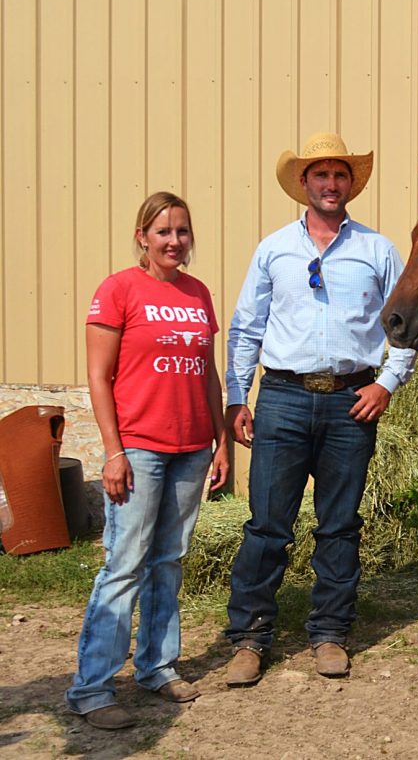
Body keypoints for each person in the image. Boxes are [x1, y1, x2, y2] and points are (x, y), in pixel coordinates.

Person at [222, 132, 416, 686]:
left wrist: (386, 385)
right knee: (266, 526)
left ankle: (330, 631)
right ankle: (250, 639)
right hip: (281, 398)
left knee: (339, 525)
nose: (331, 184)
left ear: (350, 183)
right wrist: (238, 397)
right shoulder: (273, 249)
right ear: (303, 184)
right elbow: (246, 329)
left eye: (339, 174)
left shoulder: (377, 250)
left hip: (351, 403)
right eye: (320, 175)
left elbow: (404, 326)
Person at [66, 192, 229, 730]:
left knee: (169, 561)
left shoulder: (198, 294)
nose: (175, 242)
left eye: (182, 232)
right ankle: (92, 688)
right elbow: (98, 376)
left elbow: (206, 373)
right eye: (163, 232)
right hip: (138, 447)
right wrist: (112, 452)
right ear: (143, 236)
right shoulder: (118, 290)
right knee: (125, 563)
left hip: (190, 449)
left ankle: (157, 666)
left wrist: (220, 439)